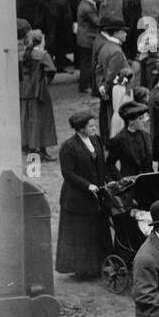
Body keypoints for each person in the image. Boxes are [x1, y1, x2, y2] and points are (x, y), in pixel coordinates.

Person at [56, 112, 108, 280]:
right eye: (91, 126)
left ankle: (97, 266)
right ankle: (82, 270)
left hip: (96, 195)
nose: (94, 128)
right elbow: (68, 173)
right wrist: (87, 185)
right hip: (77, 198)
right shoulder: (69, 146)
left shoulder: (96, 140)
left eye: (95, 125)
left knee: (95, 231)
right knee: (81, 235)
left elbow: (101, 164)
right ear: (80, 129)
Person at [19, 26, 58, 160]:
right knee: (42, 120)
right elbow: (51, 70)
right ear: (40, 41)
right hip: (39, 92)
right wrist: (45, 83)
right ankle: (41, 150)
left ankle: (28, 147)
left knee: (27, 120)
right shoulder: (43, 55)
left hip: (24, 91)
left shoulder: (21, 55)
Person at [107, 102, 153, 178]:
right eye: (140, 118)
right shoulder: (119, 139)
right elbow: (110, 164)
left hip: (147, 181)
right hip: (130, 183)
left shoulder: (146, 135)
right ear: (131, 121)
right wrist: (120, 179)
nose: (143, 121)